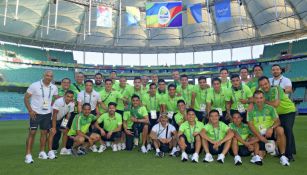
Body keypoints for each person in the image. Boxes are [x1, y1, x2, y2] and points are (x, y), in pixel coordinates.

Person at [247, 90, 290, 166]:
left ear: (264, 99)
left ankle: (283, 156)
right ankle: (267, 149)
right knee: (261, 155)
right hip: (258, 134)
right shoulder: (250, 110)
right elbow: (250, 125)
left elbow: (278, 121)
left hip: (269, 132)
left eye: (261, 98)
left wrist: (271, 128)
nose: (259, 100)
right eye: (256, 98)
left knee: (280, 129)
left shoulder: (270, 108)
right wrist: (260, 137)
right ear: (253, 99)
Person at [24, 70, 58, 164]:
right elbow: (26, 98)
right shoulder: (34, 85)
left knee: (44, 133)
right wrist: (30, 110)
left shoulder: (54, 87)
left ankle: (42, 152)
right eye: (47, 75)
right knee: (32, 132)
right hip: (35, 113)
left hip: (47, 113)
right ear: (44, 75)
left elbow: (56, 98)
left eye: (51, 76)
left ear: (52, 77)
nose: (49, 77)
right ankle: (28, 155)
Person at [259, 76, 296, 161]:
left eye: (265, 84)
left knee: (287, 130)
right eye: (262, 85)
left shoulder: (276, 88)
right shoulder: (262, 92)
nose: (264, 86)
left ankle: (289, 155)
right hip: (277, 114)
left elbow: (275, 104)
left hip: (287, 111)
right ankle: (280, 151)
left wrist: (264, 101)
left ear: (269, 82)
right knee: (279, 131)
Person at [48, 90, 75, 159]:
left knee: (66, 130)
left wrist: (63, 125)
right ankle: (50, 151)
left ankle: (63, 149)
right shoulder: (58, 101)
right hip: (51, 118)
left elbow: (68, 115)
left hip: (60, 119)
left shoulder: (72, 103)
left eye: (71, 97)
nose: (69, 98)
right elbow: (54, 114)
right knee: (52, 132)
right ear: (64, 96)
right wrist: (54, 127)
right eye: (68, 96)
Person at [142, 83, 164, 150]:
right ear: (149, 89)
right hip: (147, 113)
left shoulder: (159, 96)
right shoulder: (145, 96)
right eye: (151, 88)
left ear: (156, 89)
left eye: (154, 88)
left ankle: (153, 143)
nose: (153, 90)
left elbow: (161, 108)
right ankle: (146, 144)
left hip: (156, 113)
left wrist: (160, 117)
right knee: (147, 127)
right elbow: (144, 108)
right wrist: (146, 118)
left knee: (155, 129)